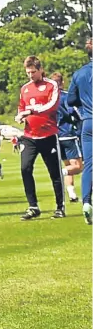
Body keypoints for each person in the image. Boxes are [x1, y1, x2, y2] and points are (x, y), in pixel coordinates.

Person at [15, 56, 64, 220]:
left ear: (40, 69)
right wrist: (20, 116)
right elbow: (21, 106)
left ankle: (60, 206)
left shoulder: (51, 85)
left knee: (54, 172)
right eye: (28, 72)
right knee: (25, 168)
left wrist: (32, 111)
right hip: (29, 136)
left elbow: (52, 106)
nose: (30, 75)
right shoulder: (25, 88)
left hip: (48, 135)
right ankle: (33, 206)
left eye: (33, 72)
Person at [67, 38, 92, 224]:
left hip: (88, 123)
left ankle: (86, 202)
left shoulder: (78, 73)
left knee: (89, 166)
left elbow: (71, 100)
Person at [50, 72, 83, 203]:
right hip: (68, 135)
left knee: (69, 164)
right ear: (62, 83)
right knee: (78, 167)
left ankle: (72, 194)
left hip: (55, 136)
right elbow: (75, 112)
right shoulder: (66, 97)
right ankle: (59, 173)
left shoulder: (48, 99)